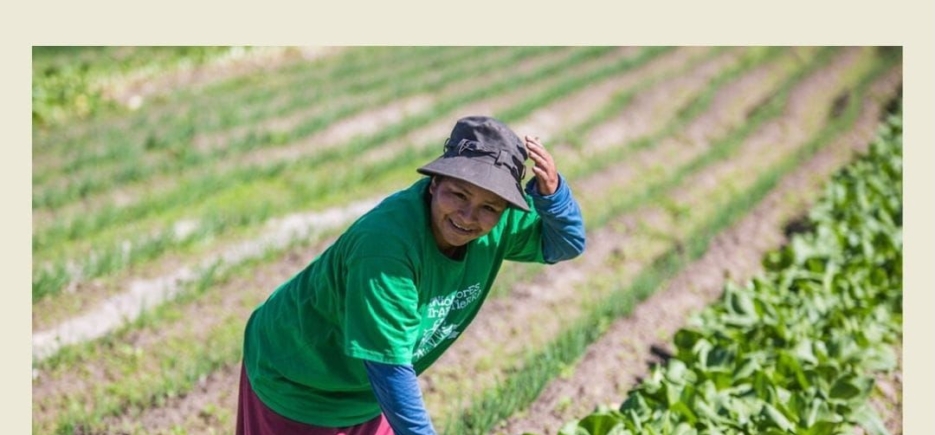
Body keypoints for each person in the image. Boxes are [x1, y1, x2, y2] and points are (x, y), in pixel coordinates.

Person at [237, 115, 586, 435]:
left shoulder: (497, 223)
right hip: (301, 379)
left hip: (369, 390)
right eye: (458, 194)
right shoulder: (386, 248)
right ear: (434, 183)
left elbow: (565, 243)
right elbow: (388, 367)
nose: (468, 216)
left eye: (488, 207)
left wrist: (552, 194)